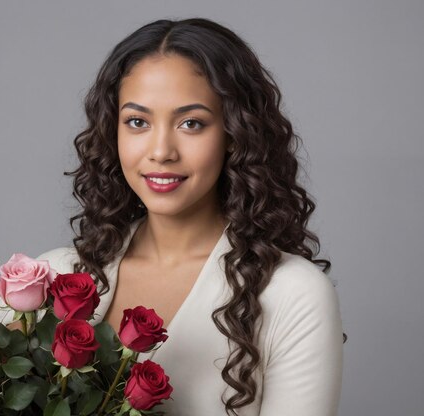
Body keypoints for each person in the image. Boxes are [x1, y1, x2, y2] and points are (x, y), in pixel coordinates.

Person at [33, 18, 343, 415]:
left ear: (234, 134)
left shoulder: (292, 294)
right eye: (137, 122)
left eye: (191, 123)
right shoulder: (53, 278)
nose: (161, 150)